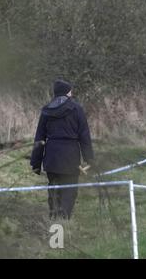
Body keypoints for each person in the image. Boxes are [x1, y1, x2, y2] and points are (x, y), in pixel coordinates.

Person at [30, 80, 94, 219]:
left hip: (52, 156)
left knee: (54, 189)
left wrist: (35, 163)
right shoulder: (77, 109)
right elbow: (84, 136)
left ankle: (54, 218)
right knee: (69, 190)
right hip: (70, 156)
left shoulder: (47, 110)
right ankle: (63, 219)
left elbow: (39, 138)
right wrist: (89, 159)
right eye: (70, 91)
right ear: (67, 92)